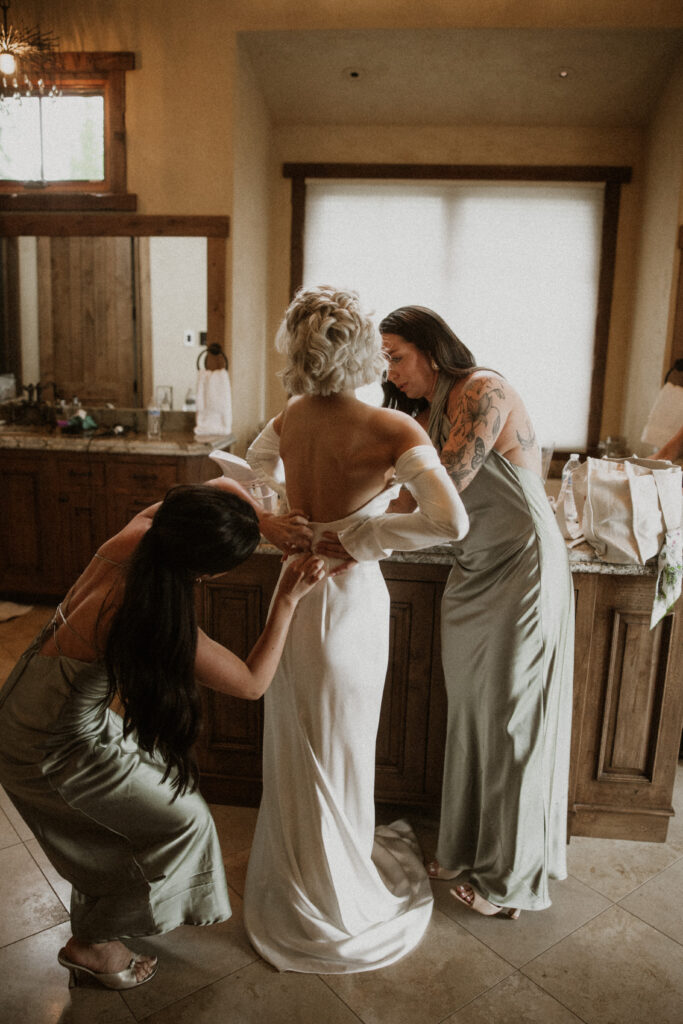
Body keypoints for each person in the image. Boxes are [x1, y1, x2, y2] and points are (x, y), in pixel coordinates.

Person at [0, 481, 323, 990]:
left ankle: (97, 924)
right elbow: (252, 683)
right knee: (183, 821)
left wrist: (261, 521)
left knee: (145, 802)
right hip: (45, 746)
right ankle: (92, 944)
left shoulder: (140, 533)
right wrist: (286, 598)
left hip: (30, 704)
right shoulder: (148, 614)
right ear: (205, 572)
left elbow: (213, 485)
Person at [242, 285, 469, 973]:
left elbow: (251, 468)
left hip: (293, 591)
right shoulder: (394, 429)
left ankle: (299, 876)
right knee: (340, 743)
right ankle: (335, 886)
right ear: (365, 349)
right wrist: (365, 535)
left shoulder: (289, 417)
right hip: (347, 598)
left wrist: (272, 518)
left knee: (297, 741)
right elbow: (449, 522)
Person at [379, 304, 574, 919]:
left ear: (432, 350)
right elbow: (406, 495)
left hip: (522, 565)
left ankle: (510, 879)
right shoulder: (418, 411)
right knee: (470, 714)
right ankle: (466, 848)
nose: (391, 369)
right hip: (471, 568)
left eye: (396, 356)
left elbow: (448, 487)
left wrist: (365, 532)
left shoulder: (483, 391)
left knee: (513, 722)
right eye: (385, 358)